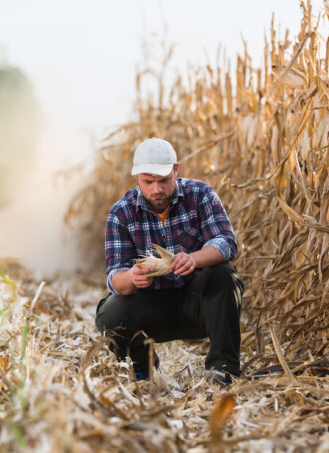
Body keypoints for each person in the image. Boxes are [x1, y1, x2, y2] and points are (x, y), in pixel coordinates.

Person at [95, 137, 244, 385]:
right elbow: (115, 278)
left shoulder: (200, 194)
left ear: (176, 170)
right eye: (148, 182)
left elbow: (226, 242)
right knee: (109, 313)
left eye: (163, 180)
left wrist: (194, 259)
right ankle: (142, 365)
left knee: (224, 275)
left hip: (198, 304)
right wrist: (132, 277)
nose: (157, 189)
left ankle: (224, 368)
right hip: (150, 307)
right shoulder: (121, 213)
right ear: (137, 177)